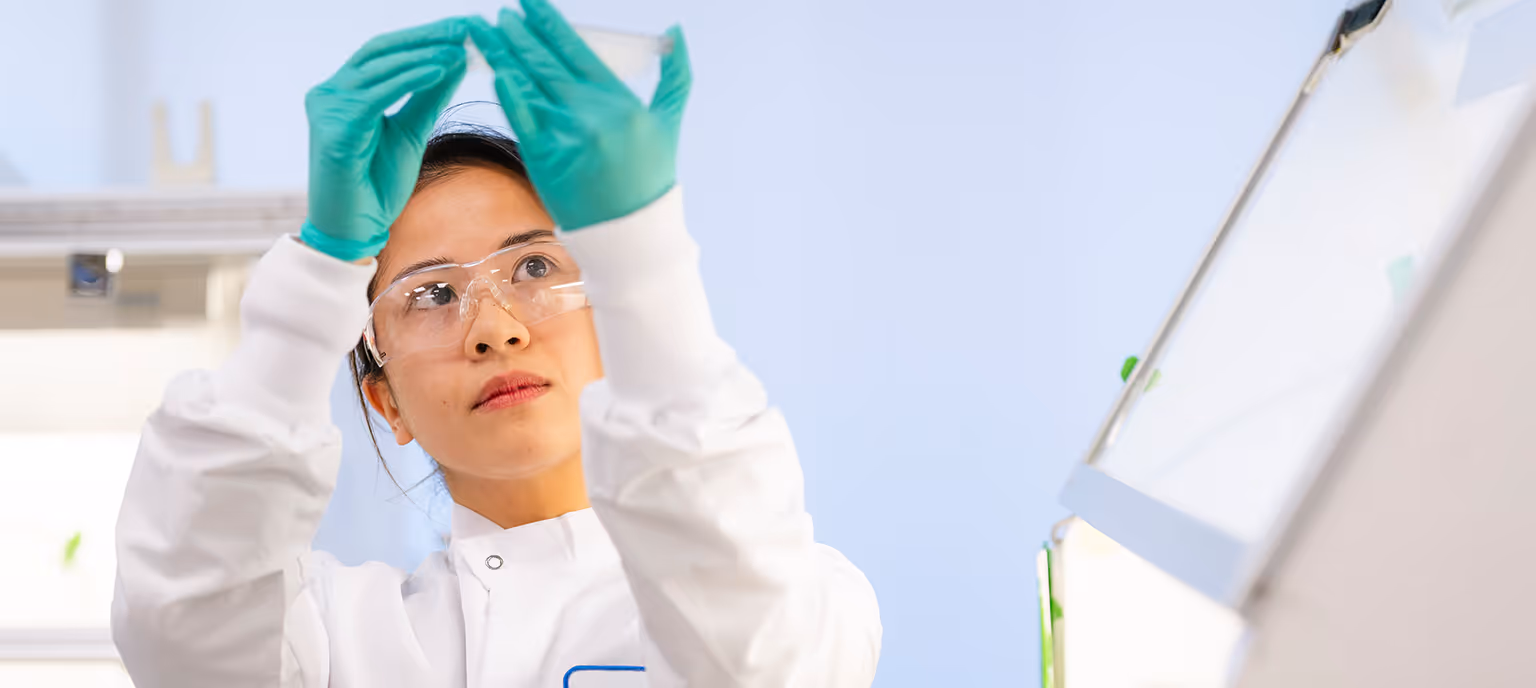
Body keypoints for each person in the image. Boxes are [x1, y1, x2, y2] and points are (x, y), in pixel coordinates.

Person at [110, 2, 881, 686]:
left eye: (535, 267)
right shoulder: (336, 641)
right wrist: (320, 271)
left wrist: (643, 254)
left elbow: (760, 664)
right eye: (432, 294)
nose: (496, 329)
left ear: (612, 324)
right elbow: (184, 631)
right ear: (385, 402)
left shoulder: (809, 600)